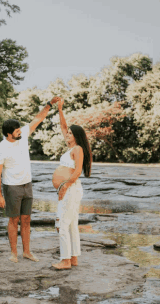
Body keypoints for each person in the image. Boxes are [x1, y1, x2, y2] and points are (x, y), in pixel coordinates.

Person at [0, 97, 60, 263]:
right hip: (12, 187)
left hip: (27, 184)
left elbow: (38, 119)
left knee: (26, 219)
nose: (20, 132)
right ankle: (14, 253)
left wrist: (49, 104)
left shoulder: (22, 136)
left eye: (19, 130)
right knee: (13, 220)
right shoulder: (0, 150)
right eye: (16, 131)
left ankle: (27, 252)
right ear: (9, 134)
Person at [52, 98, 92, 270]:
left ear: (76, 136)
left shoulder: (77, 149)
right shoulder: (71, 148)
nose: (66, 134)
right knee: (72, 225)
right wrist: (60, 109)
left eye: (69, 133)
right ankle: (73, 258)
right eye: (67, 133)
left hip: (70, 190)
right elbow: (62, 126)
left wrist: (64, 186)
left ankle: (65, 260)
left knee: (61, 224)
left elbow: (77, 171)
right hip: (71, 189)